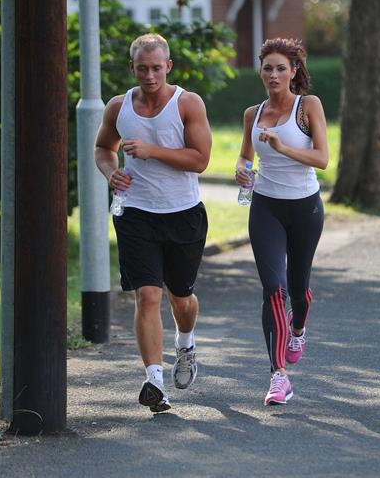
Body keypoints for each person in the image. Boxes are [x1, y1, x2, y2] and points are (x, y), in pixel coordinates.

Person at [94, 33, 212, 413]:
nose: (149, 75)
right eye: (142, 68)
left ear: (168, 67)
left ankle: (186, 343)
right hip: (136, 214)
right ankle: (153, 381)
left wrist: (151, 151)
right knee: (147, 295)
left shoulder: (187, 103)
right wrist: (112, 174)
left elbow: (200, 160)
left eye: (156, 68)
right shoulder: (118, 106)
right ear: (132, 68)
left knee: (181, 298)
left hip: (183, 214)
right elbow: (102, 148)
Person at [235, 37, 328, 406]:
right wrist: (242, 172)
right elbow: (244, 157)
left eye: (280, 68)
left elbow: (322, 158)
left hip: (305, 209)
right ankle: (278, 376)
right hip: (266, 209)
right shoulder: (251, 114)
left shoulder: (308, 107)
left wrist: (281, 147)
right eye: (267, 68)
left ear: (294, 72)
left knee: (298, 290)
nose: (273, 75)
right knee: (274, 289)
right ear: (260, 71)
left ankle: (299, 326)